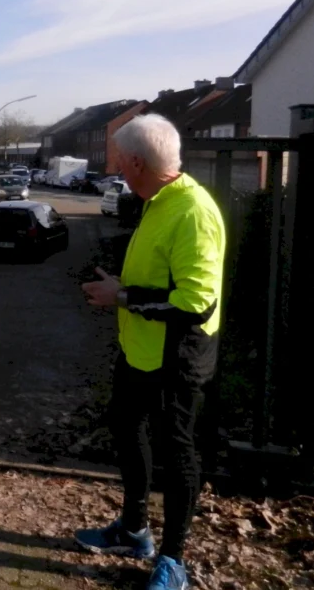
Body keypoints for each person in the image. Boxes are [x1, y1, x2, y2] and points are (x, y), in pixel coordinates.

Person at [75, 114, 226, 590]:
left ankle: (173, 560)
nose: (117, 171)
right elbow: (161, 280)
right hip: (138, 351)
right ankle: (134, 529)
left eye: (120, 164)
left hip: (176, 359)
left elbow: (196, 303)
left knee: (177, 452)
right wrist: (123, 289)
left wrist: (122, 297)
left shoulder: (192, 210)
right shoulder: (157, 200)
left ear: (138, 162)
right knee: (125, 428)